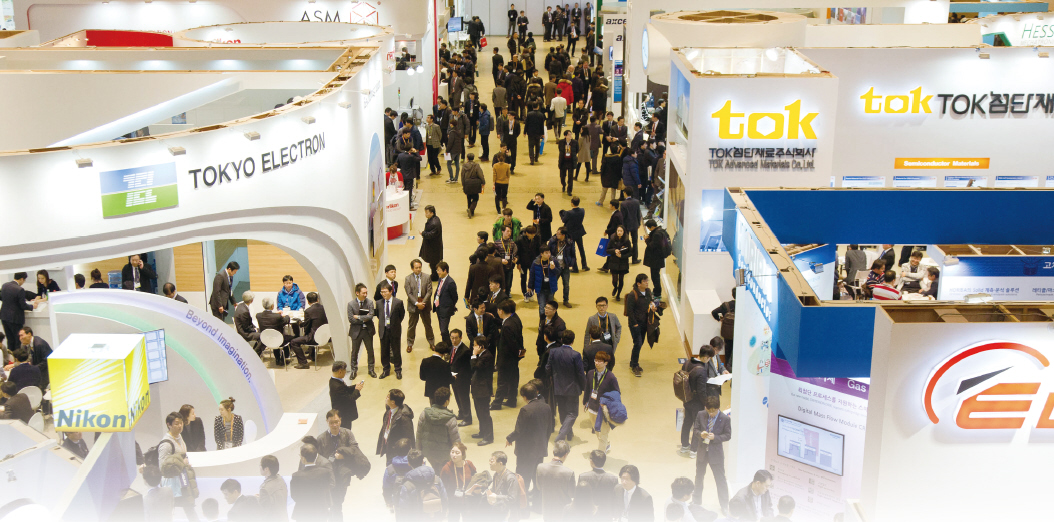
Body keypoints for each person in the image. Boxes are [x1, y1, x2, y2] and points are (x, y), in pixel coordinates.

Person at [506, 382, 554, 493]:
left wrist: (509, 438)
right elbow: (549, 429)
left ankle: (523, 500)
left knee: (523, 478)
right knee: (537, 476)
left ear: (524, 397)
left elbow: (519, 431)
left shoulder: (525, 410)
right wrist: (544, 442)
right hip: (540, 449)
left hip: (526, 452)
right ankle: (537, 499)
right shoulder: (546, 406)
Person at [315, 411, 359, 521]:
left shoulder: (347, 434)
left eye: (336, 422)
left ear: (340, 420)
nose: (334, 425)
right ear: (327, 422)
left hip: (343, 474)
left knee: (339, 501)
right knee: (334, 503)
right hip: (328, 476)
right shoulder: (321, 438)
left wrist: (343, 456)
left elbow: (355, 449)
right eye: (331, 422)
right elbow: (318, 458)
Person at [691, 396, 731, 512]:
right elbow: (695, 429)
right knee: (699, 477)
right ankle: (696, 501)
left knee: (720, 479)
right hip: (702, 452)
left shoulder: (724, 418)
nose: (711, 413)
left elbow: (728, 435)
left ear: (718, 408)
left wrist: (716, 437)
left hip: (716, 454)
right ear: (706, 408)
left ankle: (724, 505)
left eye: (714, 411)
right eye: (709, 411)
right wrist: (700, 434)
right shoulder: (701, 414)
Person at [157, 412, 198, 521]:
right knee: (173, 511)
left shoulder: (179, 436)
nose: (180, 426)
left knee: (189, 507)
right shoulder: (166, 444)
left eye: (181, 423)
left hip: (183, 481)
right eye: (176, 424)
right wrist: (182, 463)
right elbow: (162, 467)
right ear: (169, 425)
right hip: (173, 485)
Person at [547, 330, 585, 442]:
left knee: (563, 412)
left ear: (561, 340)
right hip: (572, 389)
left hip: (558, 388)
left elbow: (548, 369)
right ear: (573, 341)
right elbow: (580, 374)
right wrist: (584, 387)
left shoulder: (553, 352)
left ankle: (569, 433)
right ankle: (561, 435)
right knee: (572, 413)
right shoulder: (576, 355)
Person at [416, 387, 461, 470]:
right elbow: (456, 441)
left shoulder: (424, 414)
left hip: (428, 453)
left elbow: (419, 436)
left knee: (435, 470)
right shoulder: (450, 419)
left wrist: (418, 453)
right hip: (444, 455)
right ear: (447, 402)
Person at [583, 350, 619, 452]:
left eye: (599, 361)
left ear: (605, 363)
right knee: (596, 430)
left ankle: (601, 455)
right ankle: (606, 444)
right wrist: (585, 402)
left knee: (603, 434)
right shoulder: (590, 373)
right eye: (596, 360)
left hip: (604, 410)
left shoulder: (611, 377)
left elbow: (617, 392)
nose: (597, 363)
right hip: (592, 408)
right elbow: (587, 388)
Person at [492, 300, 524, 409]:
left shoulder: (507, 326)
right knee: (513, 380)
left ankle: (497, 403)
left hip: (506, 358)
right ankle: (511, 400)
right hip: (514, 358)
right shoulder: (515, 318)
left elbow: (511, 344)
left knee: (502, 382)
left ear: (501, 311)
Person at [290, 443, 333, 522]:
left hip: (303, 512)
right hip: (321, 511)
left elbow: (295, 496)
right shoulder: (325, 473)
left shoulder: (296, 476)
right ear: (316, 456)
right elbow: (327, 489)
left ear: (302, 458)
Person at [1, 273, 38, 362]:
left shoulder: (5, 285)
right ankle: (17, 360)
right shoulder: (20, 290)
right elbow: (23, 305)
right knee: (18, 340)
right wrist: (32, 306)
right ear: (21, 279)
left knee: (10, 340)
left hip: (4, 316)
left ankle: (10, 360)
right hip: (15, 318)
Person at [571, 450, 618, 519]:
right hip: (606, 516)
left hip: (587, 515)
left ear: (591, 461)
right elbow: (615, 500)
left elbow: (579, 498)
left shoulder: (583, 477)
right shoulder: (613, 479)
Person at [625, 274, 656, 377]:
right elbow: (630, 311)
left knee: (640, 343)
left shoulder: (648, 291)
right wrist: (635, 324)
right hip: (635, 324)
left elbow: (650, 302)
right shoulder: (632, 295)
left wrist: (652, 306)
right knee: (638, 343)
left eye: (647, 280)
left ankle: (633, 362)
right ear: (638, 284)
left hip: (645, 323)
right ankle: (634, 365)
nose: (647, 283)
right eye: (644, 281)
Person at [536, 440, 575, 520]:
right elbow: (572, 494)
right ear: (565, 455)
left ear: (553, 451)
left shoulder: (540, 467)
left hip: (547, 510)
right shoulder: (569, 473)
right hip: (563, 512)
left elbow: (539, 487)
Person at [258, 297, 302, 367]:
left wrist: (276, 314)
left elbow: (269, 317)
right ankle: (284, 358)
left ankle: (277, 359)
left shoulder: (258, 315)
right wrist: (287, 315)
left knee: (275, 337)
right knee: (292, 339)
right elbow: (286, 321)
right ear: (272, 306)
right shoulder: (277, 316)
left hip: (266, 340)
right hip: (279, 339)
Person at [405, 259, 437, 353]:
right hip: (413, 305)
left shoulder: (427, 277)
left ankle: (431, 342)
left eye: (419, 267)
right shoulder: (408, 279)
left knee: (428, 325)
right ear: (412, 268)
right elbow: (409, 293)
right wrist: (416, 303)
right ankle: (410, 344)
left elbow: (429, 291)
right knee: (412, 326)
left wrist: (423, 303)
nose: (418, 269)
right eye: (416, 268)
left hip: (425, 305)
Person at [440, 442, 477, 521]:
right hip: (453, 501)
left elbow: (475, 478)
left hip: (467, 500)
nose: (454, 455)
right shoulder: (446, 468)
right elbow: (443, 487)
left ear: (462, 454)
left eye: (457, 453)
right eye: (452, 452)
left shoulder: (469, 464)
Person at [378, 389, 416, 465]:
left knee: (394, 468)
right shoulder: (389, 410)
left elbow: (409, 437)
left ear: (393, 402)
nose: (386, 398)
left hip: (397, 451)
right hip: (389, 446)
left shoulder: (404, 417)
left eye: (388, 397)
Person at [347, 283, 377, 378]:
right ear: (357, 293)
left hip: (368, 330)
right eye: (363, 293)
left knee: (370, 351)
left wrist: (358, 317)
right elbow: (351, 319)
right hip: (356, 331)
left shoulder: (370, 302)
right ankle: (353, 370)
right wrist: (364, 318)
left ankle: (371, 369)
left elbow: (371, 316)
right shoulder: (351, 304)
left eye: (366, 292)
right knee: (354, 352)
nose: (365, 294)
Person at [377, 282, 407, 379]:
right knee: (384, 351)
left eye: (385, 292)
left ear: (391, 291)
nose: (383, 294)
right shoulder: (379, 303)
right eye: (382, 292)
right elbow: (379, 316)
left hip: (394, 330)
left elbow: (401, 315)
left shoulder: (398, 302)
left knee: (396, 351)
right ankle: (386, 369)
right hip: (384, 330)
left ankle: (398, 369)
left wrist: (394, 323)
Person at [469, 335, 495, 444]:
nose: (473, 347)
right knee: (479, 413)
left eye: (475, 345)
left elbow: (475, 367)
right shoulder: (482, 355)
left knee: (484, 414)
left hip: (483, 390)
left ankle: (488, 437)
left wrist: (474, 355)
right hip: (478, 389)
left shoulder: (486, 356)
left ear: (481, 346)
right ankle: (482, 432)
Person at [289, 292, 327, 364]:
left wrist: (300, 324)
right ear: (317, 299)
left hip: (314, 338)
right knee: (312, 331)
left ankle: (303, 363)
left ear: (308, 301)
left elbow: (307, 327)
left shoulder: (308, 311)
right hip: (325, 336)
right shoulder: (325, 309)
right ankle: (312, 355)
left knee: (294, 342)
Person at [330, 361, 363, 429]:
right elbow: (350, 399)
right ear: (340, 372)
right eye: (344, 370)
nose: (345, 372)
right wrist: (357, 390)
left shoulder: (333, 380)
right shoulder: (337, 386)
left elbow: (345, 389)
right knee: (346, 432)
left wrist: (355, 386)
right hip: (343, 415)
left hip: (342, 413)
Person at [560, 197, 589, 273]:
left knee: (572, 250)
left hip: (571, 233)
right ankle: (584, 265)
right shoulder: (582, 210)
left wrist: (562, 214)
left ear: (572, 203)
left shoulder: (569, 213)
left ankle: (575, 267)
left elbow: (564, 220)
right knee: (581, 249)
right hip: (579, 232)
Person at [529, 249, 561, 318]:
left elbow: (559, 271)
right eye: (546, 253)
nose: (548, 254)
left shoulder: (554, 261)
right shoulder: (536, 262)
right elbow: (532, 275)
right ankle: (542, 322)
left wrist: (554, 268)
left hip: (550, 288)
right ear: (541, 254)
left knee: (551, 307)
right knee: (542, 307)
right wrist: (530, 286)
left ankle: (551, 322)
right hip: (540, 289)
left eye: (549, 252)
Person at [643, 220, 670, 298]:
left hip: (656, 260)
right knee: (655, 276)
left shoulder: (657, 234)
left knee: (655, 277)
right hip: (658, 259)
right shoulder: (661, 231)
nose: (649, 230)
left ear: (652, 227)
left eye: (649, 228)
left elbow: (652, 246)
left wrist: (646, 239)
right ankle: (656, 291)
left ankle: (657, 293)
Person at [433, 262, 459, 343]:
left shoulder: (450, 282)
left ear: (445, 271)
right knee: (442, 330)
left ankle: (448, 345)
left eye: (439, 270)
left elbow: (455, 297)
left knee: (443, 330)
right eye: (437, 270)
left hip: (446, 310)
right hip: (438, 307)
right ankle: (446, 344)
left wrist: (449, 307)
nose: (438, 272)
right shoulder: (440, 279)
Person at [258, 455, 289, 522]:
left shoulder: (265, 489)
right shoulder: (281, 480)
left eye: (260, 465)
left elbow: (262, 511)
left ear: (266, 469)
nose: (259, 467)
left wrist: (257, 500)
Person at [711, 289, 736, 367]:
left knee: (728, 351)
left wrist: (720, 319)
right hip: (740, 333)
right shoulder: (745, 306)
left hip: (728, 333)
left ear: (733, 295)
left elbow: (714, 312)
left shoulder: (726, 305)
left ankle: (727, 368)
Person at [516, 225, 541, 301]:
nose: (533, 235)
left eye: (534, 233)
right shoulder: (519, 240)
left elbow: (538, 250)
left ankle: (530, 293)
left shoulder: (537, 238)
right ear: (526, 233)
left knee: (533, 278)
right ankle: (525, 294)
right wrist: (518, 263)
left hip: (533, 261)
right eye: (531, 234)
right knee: (523, 278)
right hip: (523, 262)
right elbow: (517, 252)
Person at [607, 226, 632, 300]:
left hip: (623, 263)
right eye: (618, 231)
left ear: (624, 232)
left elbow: (630, 252)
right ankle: (615, 287)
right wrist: (614, 250)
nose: (619, 232)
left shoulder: (627, 241)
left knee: (621, 279)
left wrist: (622, 256)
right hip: (614, 262)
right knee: (614, 280)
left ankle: (618, 294)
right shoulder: (612, 239)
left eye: (621, 231)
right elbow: (607, 250)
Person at [420, 206, 444, 281]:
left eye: (427, 213)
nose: (425, 214)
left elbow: (431, 235)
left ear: (432, 213)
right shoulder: (434, 219)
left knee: (434, 264)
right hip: (433, 247)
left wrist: (423, 233)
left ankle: (435, 277)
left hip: (434, 248)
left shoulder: (434, 223)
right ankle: (434, 275)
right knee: (433, 263)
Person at [461, 153, 486, 217]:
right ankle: (471, 209)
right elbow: (480, 174)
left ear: (467, 158)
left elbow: (462, 176)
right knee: (476, 198)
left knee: (469, 197)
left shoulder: (464, 166)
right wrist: (483, 182)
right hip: (475, 184)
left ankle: (470, 211)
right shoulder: (476, 165)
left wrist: (463, 184)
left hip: (467, 183)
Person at [620, 193, 642, 264]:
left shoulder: (623, 204)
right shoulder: (636, 202)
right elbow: (638, 214)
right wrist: (639, 223)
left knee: (625, 242)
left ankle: (624, 258)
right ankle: (634, 259)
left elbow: (622, 216)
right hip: (634, 224)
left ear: (625, 193)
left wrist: (621, 226)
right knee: (635, 242)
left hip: (626, 225)